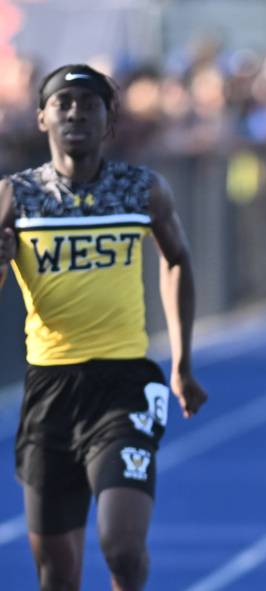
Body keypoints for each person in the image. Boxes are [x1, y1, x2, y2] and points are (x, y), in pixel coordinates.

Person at [0, 64, 208, 591]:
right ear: (42, 115)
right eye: (63, 103)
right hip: (49, 389)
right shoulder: (15, 197)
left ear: (108, 118)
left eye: (89, 104)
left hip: (125, 384)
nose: (75, 114)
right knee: (57, 573)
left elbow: (178, 260)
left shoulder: (142, 189)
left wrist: (181, 364)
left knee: (122, 546)